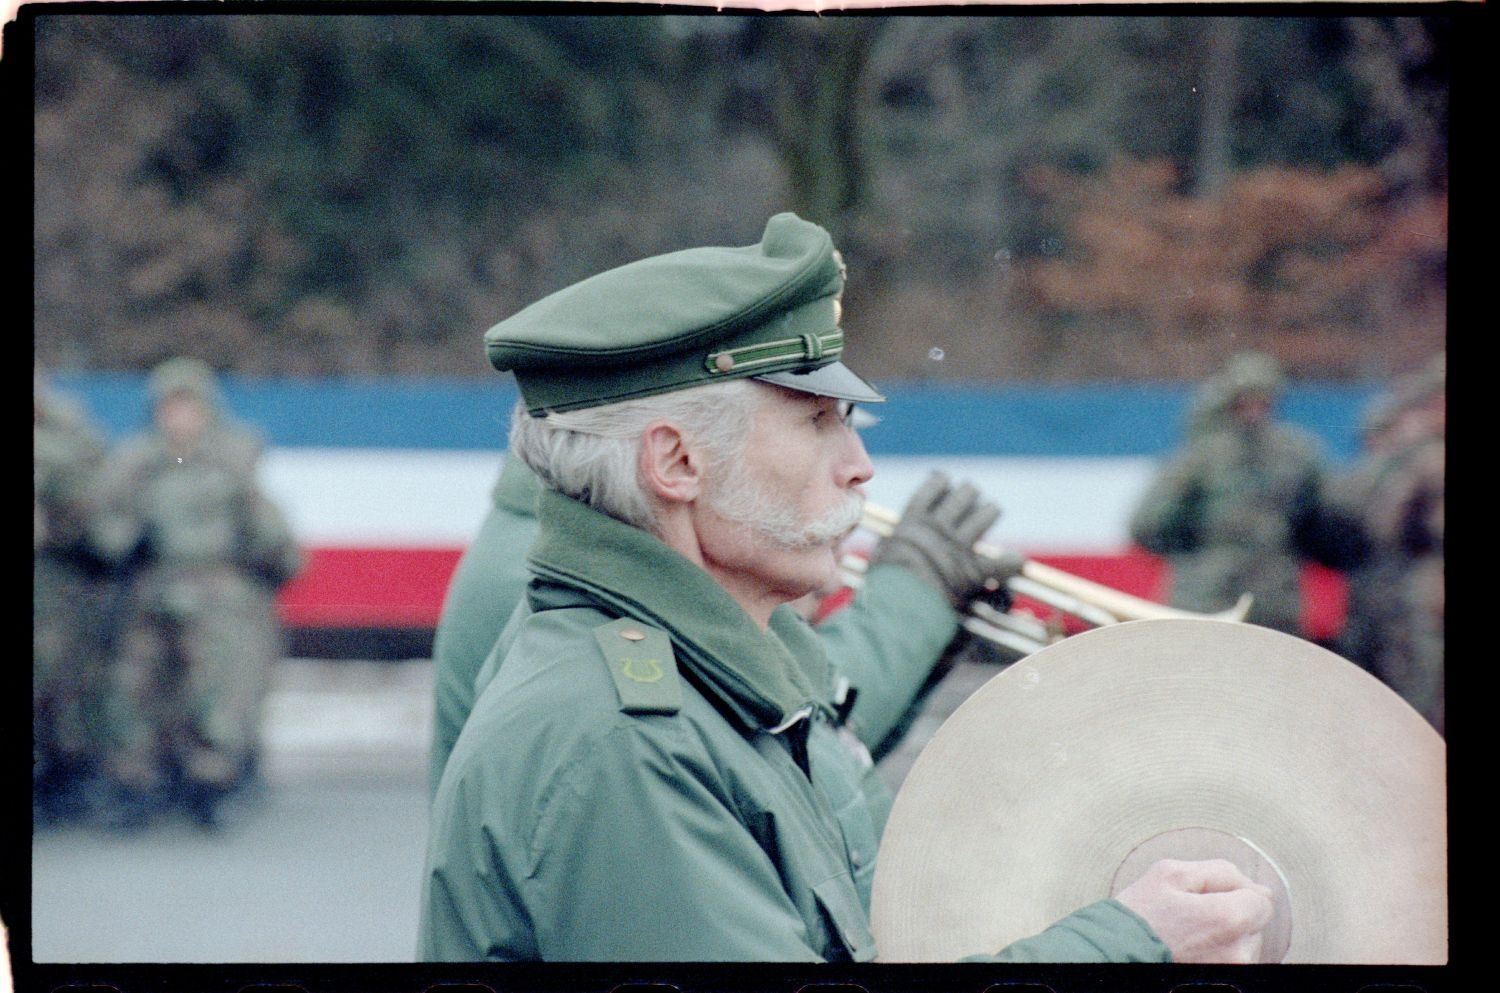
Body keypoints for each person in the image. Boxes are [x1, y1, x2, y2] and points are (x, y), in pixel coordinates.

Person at [418, 213, 1272, 962]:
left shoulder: (707, 677)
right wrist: (1130, 942)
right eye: (817, 420)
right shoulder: (622, 743)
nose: (860, 466)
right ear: (676, 461)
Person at [90, 358, 304, 829]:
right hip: (153, 584)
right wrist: (127, 539)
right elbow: (105, 528)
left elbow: (268, 534)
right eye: (170, 407)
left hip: (218, 586)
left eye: (189, 406)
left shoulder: (232, 461)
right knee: (137, 682)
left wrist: (264, 557)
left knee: (218, 681)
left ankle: (211, 774)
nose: (179, 418)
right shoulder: (136, 462)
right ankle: (139, 777)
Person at [1128, 351, 1364, 639]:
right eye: (1246, 400)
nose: (1254, 410)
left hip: (1272, 600)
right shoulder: (1201, 457)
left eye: (1261, 400)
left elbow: (1327, 527)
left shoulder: (1298, 454)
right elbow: (1148, 525)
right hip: (1206, 597)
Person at [1327, 353, 1444, 733]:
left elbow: (1384, 523)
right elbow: (1382, 524)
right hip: (1405, 590)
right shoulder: (1413, 458)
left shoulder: (1420, 457)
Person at [33, 369, 117, 824]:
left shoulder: (70, 437)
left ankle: (66, 777)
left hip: (58, 576)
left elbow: (97, 506)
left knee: (62, 683)